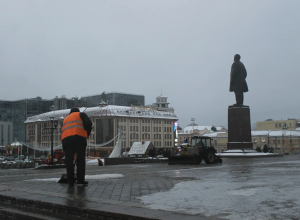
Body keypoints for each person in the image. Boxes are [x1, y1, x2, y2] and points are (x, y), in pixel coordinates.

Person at [62, 107, 92, 187]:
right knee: (80, 160)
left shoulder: (66, 119)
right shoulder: (81, 114)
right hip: (78, 138)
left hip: (66, 140)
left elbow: (64, 130)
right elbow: (88, 123)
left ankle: (70, 181)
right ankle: (80, 181)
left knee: (69, 161)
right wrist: (86, 134)